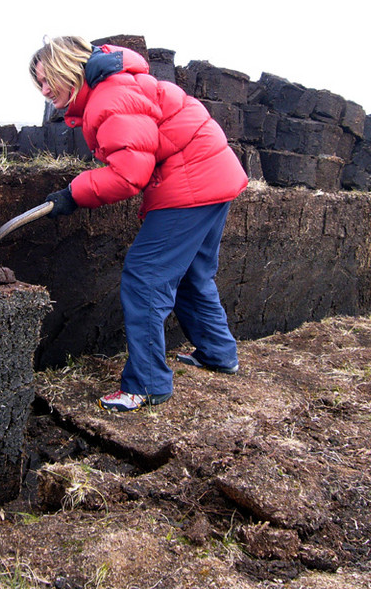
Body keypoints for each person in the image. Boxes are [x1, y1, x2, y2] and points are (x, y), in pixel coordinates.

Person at [29, 36, 249, 412]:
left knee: (145, 277)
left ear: (69, 67)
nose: (44, 89)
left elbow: (129, 174)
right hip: (214, 174)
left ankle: (147, 384)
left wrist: (73, 193)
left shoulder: (109, 96)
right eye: (38, 83)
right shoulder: (117, 86)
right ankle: (218, 353)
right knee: (194, 274)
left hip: (190, 182)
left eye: (47, 78)